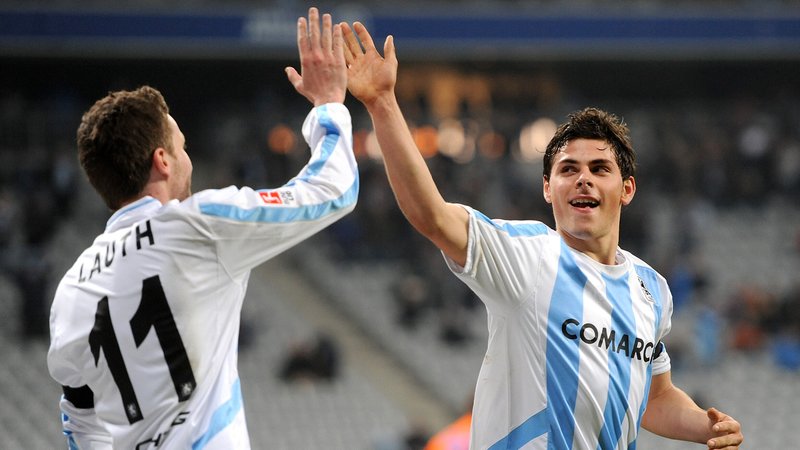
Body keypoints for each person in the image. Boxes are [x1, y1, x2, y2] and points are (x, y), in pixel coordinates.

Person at [340, 22, 743, 450]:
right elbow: (433, 216)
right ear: (548, 189)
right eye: (568, 169)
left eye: (599, 169)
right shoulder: (527, 256)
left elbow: (655, 397)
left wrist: (706, 427)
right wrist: (382, 103)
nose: (583, 179)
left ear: (627, 189)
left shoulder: (652, 290)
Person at [46, 7, 356, 449]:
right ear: (163, 160)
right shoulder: (199, 225)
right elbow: (333, 190)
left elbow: (80, 419)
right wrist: (329, 106)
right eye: (182, 146)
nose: (188, 158)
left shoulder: (71, 291)